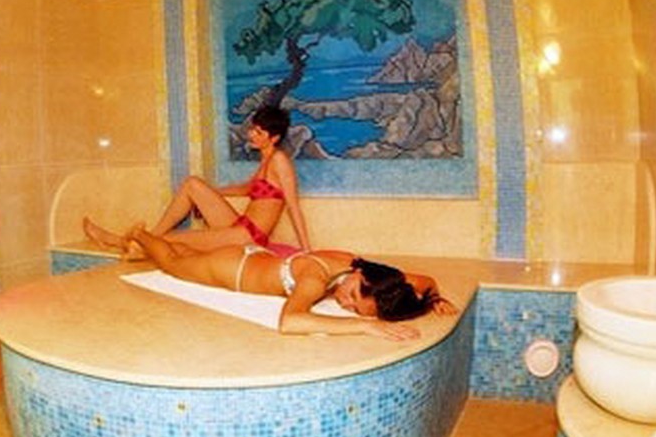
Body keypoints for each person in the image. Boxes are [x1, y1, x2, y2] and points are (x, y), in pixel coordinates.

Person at [125, 225, 455, 340]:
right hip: (233, 270)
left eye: (355, 310)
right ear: (362, 278)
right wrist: (364, 326)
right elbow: (290, 322)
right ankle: (140, 234)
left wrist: (433, 299)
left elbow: (424, 281)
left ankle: (137, 246)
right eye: (353, 296)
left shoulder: (365, 269)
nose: (345, 304)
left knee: (186, 255)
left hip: (255, 257)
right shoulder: (315, 279)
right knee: (173, 264)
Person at [84, 104, 312, 257]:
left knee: (173, 240)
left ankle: (118, 241)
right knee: (193, 184)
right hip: (241, 226)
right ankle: (146, 239)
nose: (251, 134)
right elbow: (246, 188)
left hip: (249, 237)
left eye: (259, 132)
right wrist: (209, 194)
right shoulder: (266, 160)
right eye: (253, 129)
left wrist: (307, 251)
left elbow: (293, 207)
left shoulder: (279, 160)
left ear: (274, 137)